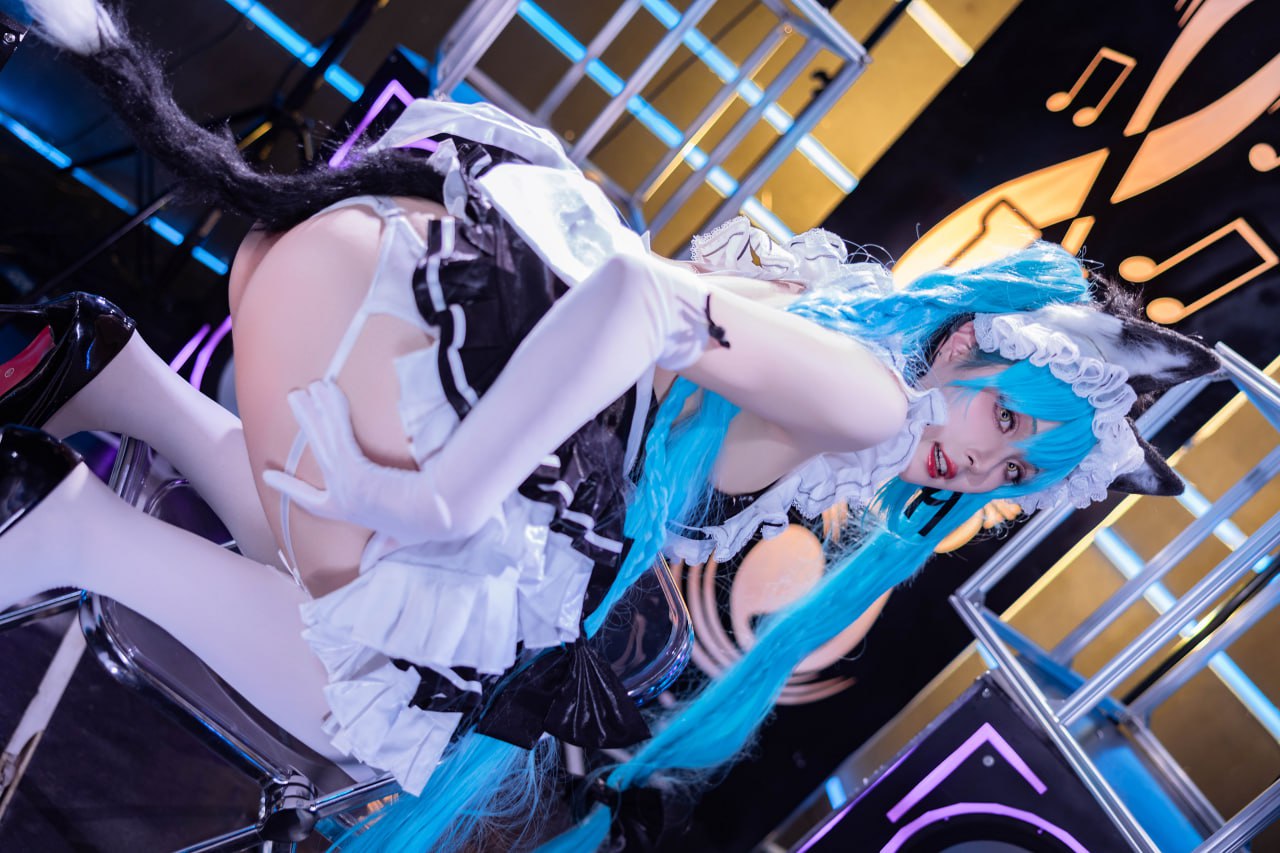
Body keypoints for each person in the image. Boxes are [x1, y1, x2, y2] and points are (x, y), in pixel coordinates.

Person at [0, 1, 1220, 850]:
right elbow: (640, 297)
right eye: (1003, 415)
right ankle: (68, 530)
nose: (982, 460)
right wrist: (447, 496)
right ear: (969, 345)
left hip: (363, 274)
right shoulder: (870, 398)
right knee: (372, 704)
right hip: (390, 315)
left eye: (1012, 468)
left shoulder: (837, 327)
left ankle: (117, 379)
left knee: (386, 610)